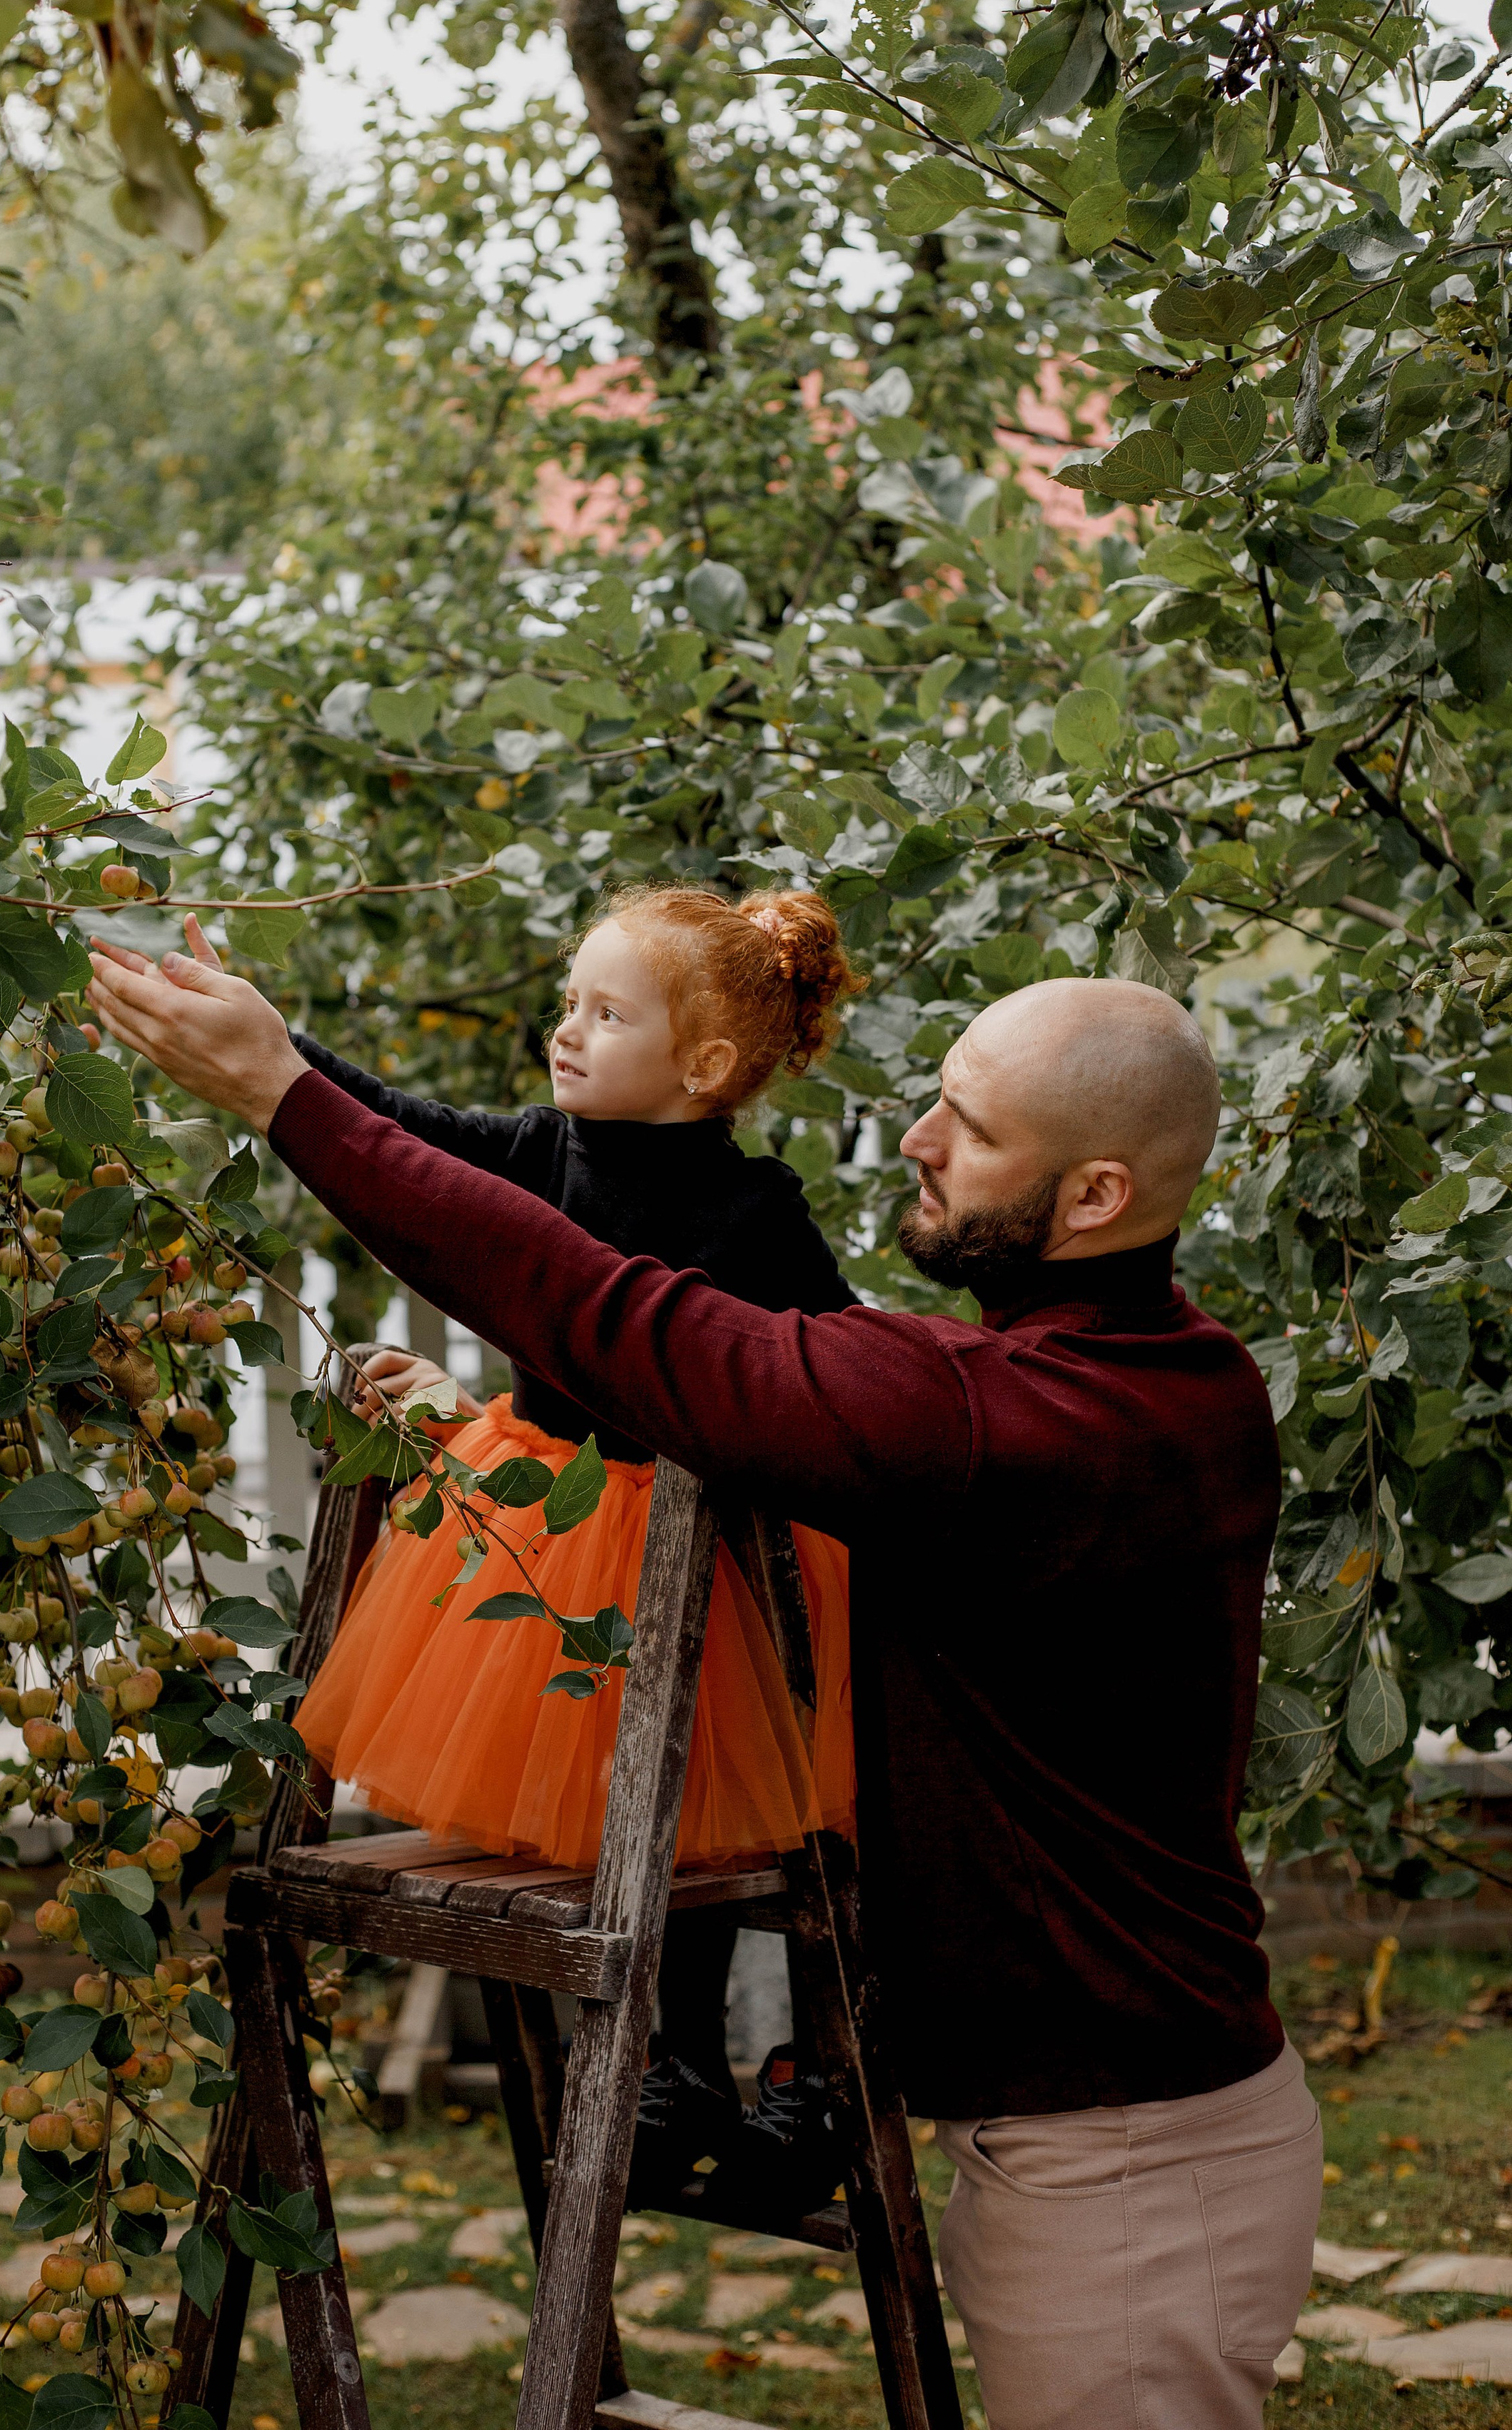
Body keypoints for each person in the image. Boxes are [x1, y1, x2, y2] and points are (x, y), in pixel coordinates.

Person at [88, 941, 1322, 2430]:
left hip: (1127, 2166)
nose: (918, 1142)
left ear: (1096, 1196)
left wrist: (280, 1095)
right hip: (1115, 2127)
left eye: (972, 1130)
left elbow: (627, 1320)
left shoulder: (1015, 1425)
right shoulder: (1166, 1380)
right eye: (939, 1100)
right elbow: (657, 1344)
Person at [137, 888, 868, 2199]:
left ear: (702, 1067)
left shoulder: (757, 1214)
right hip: (563, 1536)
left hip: (710, 1559)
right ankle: (667, 2061)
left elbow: (837, 1366)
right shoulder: (546, 1149)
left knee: (718, 1813)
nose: (565, 1032)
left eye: (604, 1012)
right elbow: (401, 1135)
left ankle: (791, 2074)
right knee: (606, 1815)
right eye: (565, 1004)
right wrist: (274, 1040)